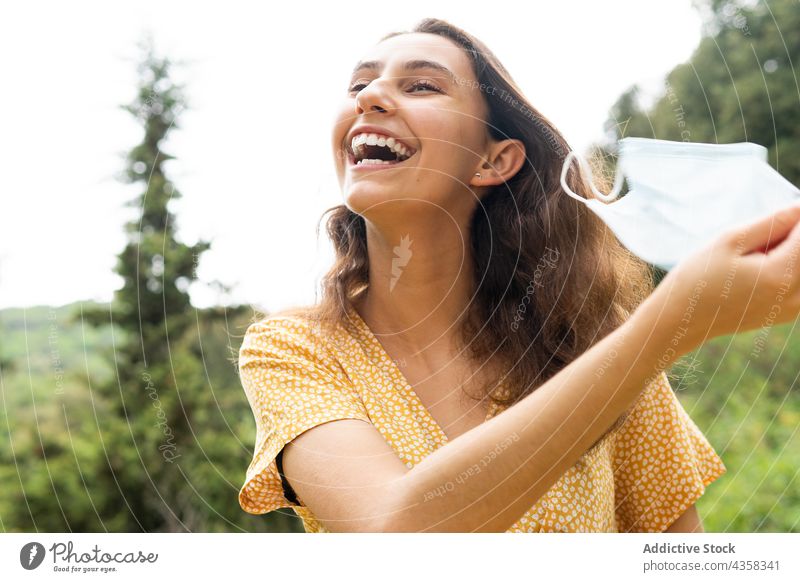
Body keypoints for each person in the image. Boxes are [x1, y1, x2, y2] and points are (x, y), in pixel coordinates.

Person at [237, 18, 800, 532]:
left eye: (422, 86)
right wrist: (668, 325)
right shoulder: (294, 350)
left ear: (494, 160)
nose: (371, 97)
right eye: (359, 85)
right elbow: (391, 531)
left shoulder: (594, 337)